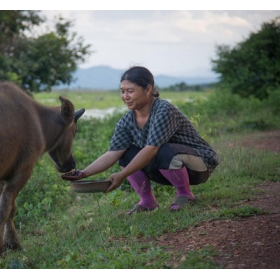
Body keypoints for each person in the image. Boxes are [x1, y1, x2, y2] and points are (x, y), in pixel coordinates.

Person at [61, 66, 219, 214]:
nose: (125, 97)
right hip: (168, 167)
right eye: (122, 91)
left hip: (199, 165)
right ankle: (147, 202)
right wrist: (83, 173)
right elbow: (112, 153)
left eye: (130, 91)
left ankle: (186, 195)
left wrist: (122, 175)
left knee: (162, 150)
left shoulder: (164, 110)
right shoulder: (126, 121)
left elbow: (152, 149)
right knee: (126, 154)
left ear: (148, 89)